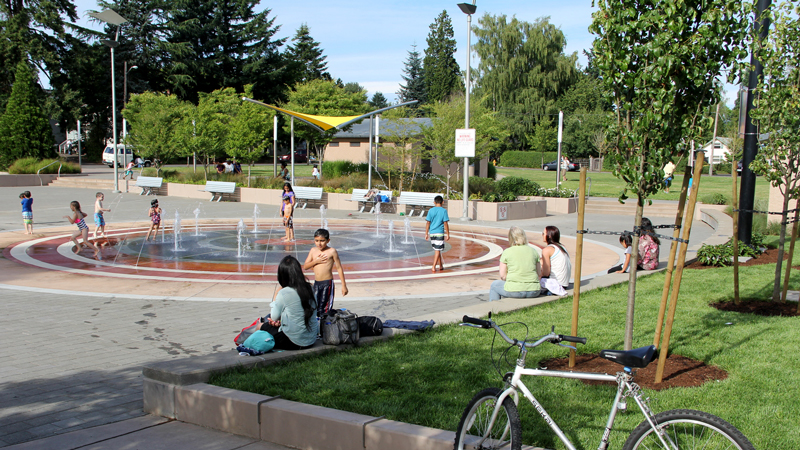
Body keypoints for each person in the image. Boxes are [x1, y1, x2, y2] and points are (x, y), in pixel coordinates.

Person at [259, 256, 319, 350]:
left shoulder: (284, 292)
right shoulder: (310, 288)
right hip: (311, 339)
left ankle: (251, 349)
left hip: (293, 342)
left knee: (260, 326)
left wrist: (276, 295)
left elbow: (274, 317)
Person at [303, 229, 348, 318]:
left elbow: (339, 268)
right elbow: (305, 266)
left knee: (325, 309)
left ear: (328, 241)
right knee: (315, 306)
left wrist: (344, 285)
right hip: (317, 283)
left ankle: (326, 327)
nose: (319, 243)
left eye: (322, 241)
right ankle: (317, 327)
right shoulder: (313, 250)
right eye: (317, 241)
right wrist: (316, 261)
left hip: (327, 284)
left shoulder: (332, 251)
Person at [489, 227, 541, 301]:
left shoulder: (507, 252)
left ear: (511, 238)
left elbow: (503, 276)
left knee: (494, 285)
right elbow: (539, 272)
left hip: (514, 290)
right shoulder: (533, 251)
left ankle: (494, 310)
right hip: (534, 290)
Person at [539, 226, 571, 297]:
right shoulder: (562, 247)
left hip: (555, 284)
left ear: (549, 236)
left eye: (543, 233)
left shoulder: (547, 250)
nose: (542, 235)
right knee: (541, 261)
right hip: (564, 283)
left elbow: (546, 273)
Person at [424, 195, 450, 272]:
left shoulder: (431, 211)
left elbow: (428, 222)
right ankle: (433, 266)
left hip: (432, 232)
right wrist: (448, 234)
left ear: (434, 202)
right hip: (440, 233)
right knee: (437, 250)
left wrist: (426, 233)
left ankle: (440, 265)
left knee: (437, 249)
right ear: (443, 202)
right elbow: (445, 223)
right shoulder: (444, 211)